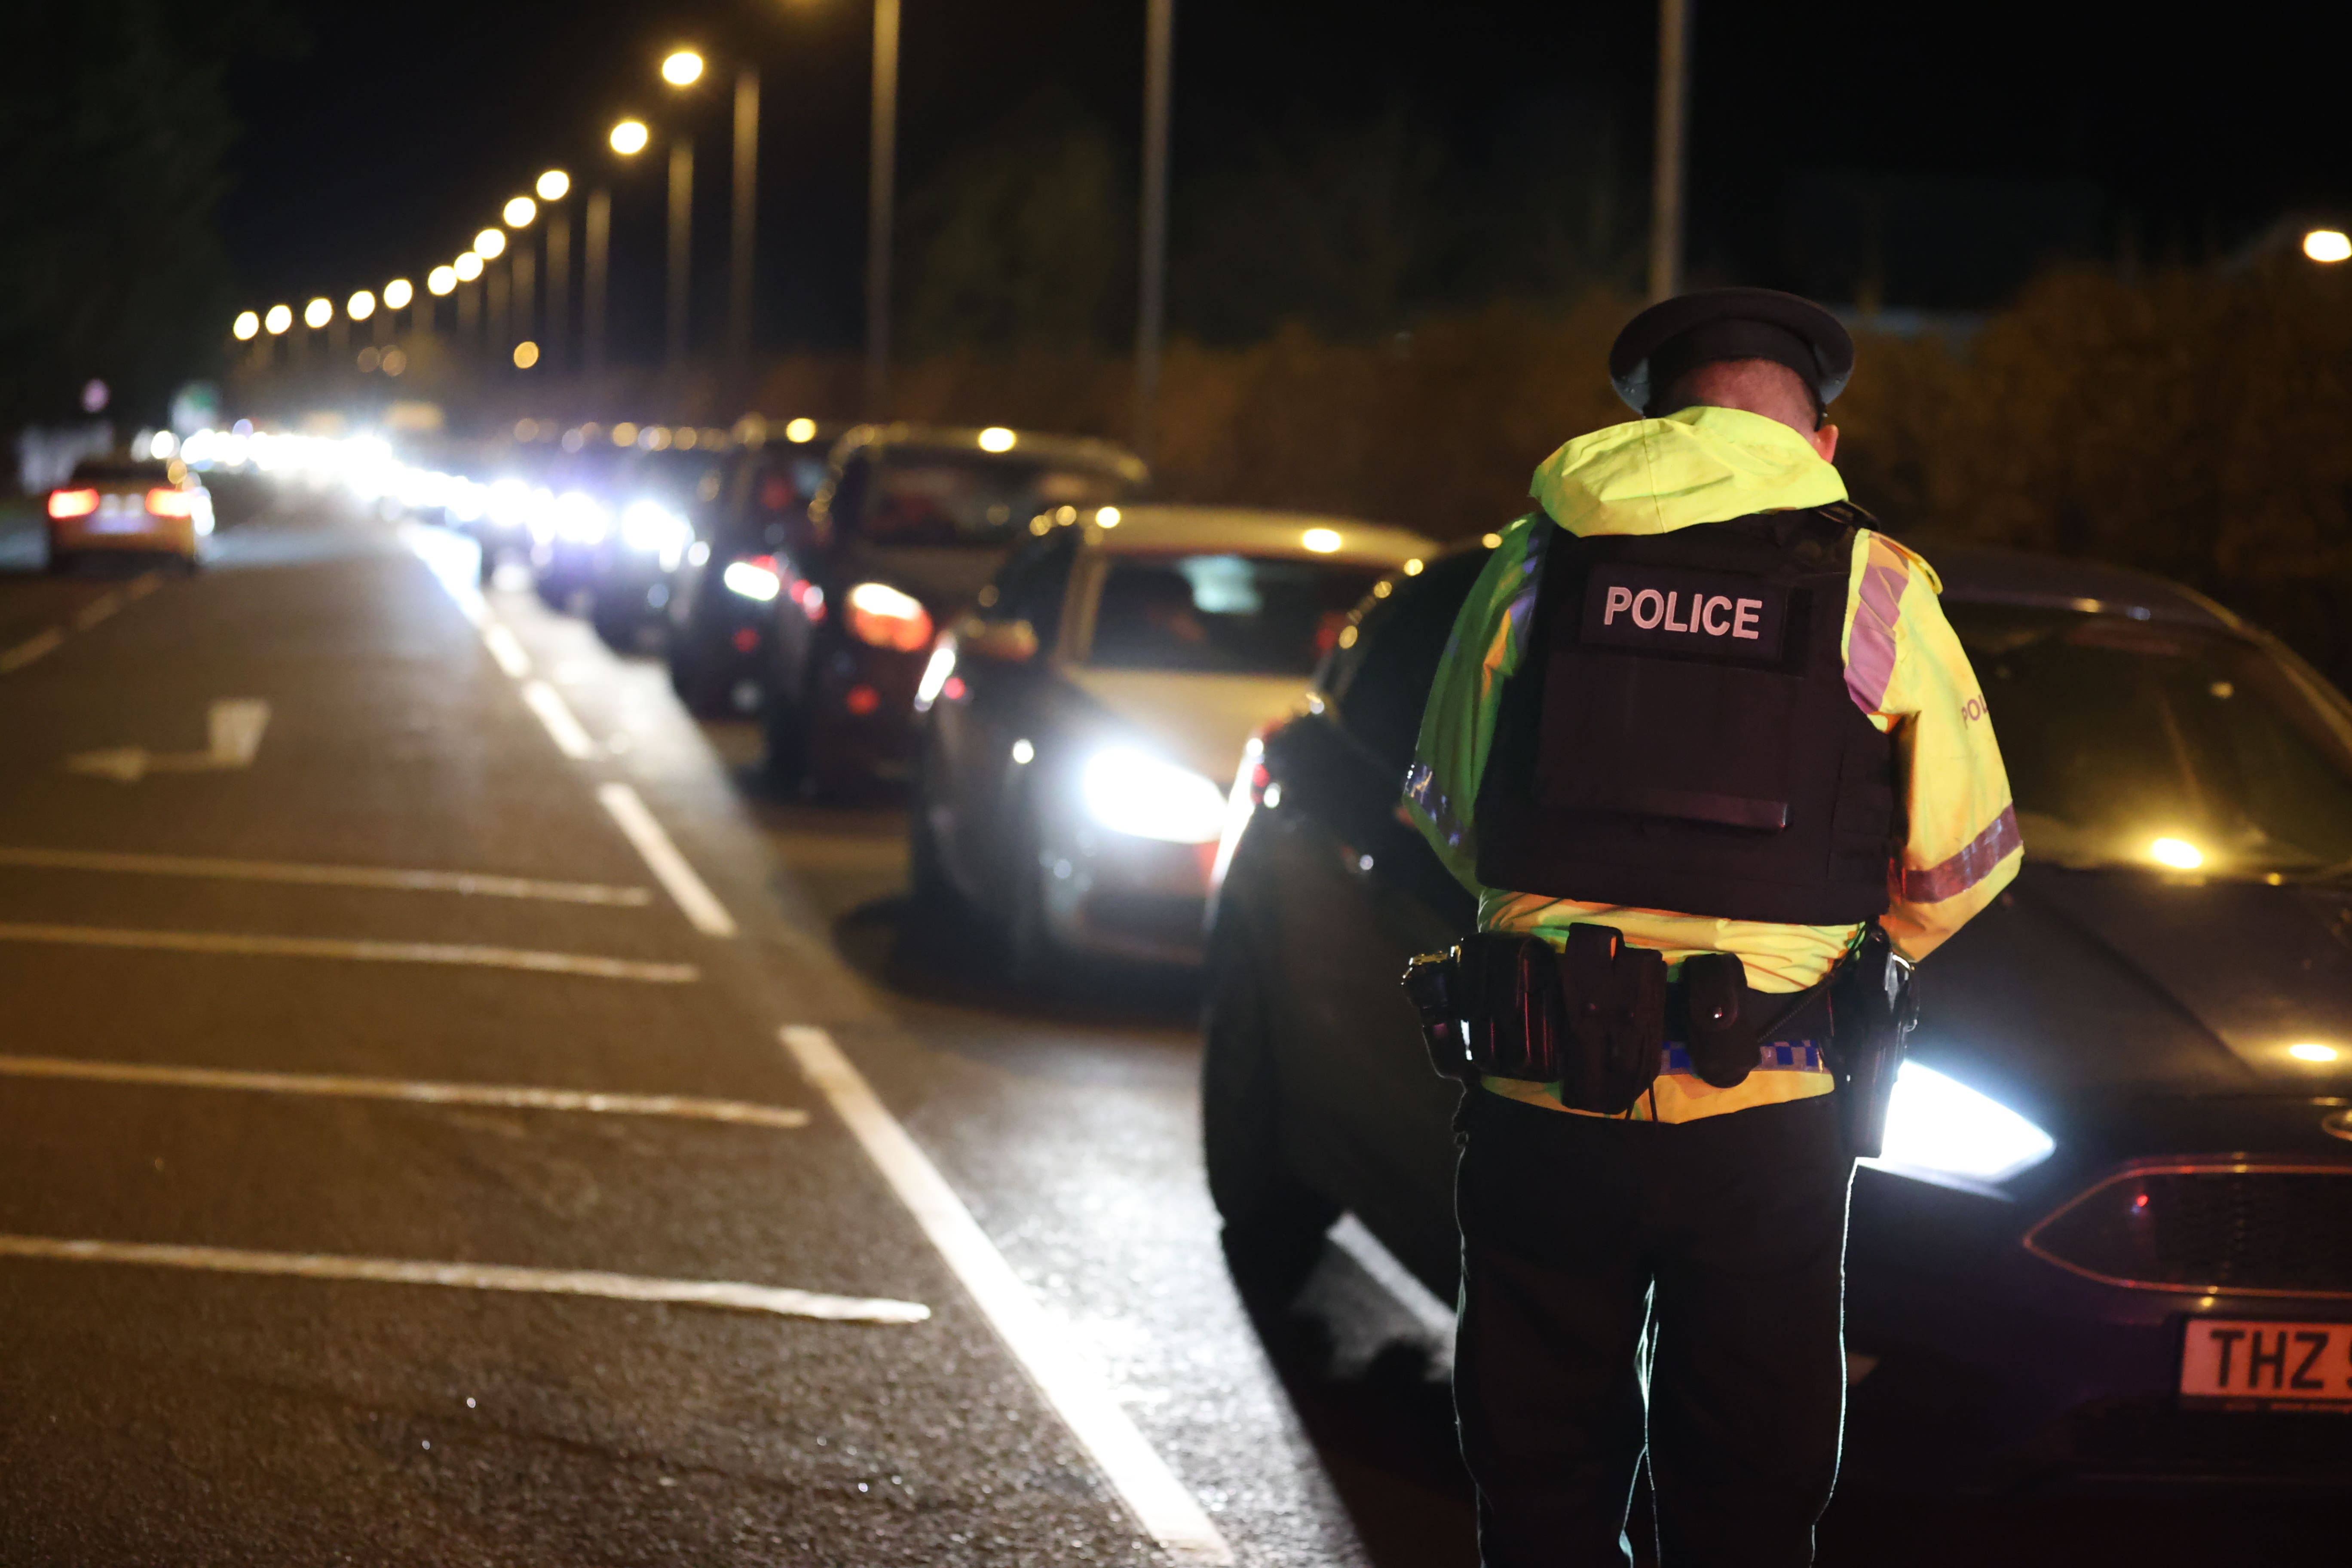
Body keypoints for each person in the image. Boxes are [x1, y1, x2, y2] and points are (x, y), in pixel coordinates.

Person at [1400, 287, 2020, 1567]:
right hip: (1766, 1119)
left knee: (1540, 1489)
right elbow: (1958, 868)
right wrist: (1827, 945)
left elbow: (1456, 819)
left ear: (1652, 426)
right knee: (1747, 1489)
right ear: (1821, 443)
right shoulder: (1875, 589)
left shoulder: (1532, 561)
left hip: (1542, 1098)